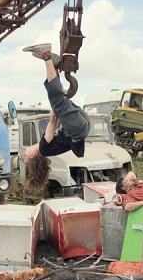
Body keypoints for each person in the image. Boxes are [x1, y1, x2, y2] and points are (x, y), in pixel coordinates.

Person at [21, 43, 91, 191]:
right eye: (25, 158)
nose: (24, 155)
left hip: (80, 126)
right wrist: (58, 102)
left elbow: (56, 117)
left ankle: (54, 63)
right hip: (76, 129)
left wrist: (60, 101)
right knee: (56, 100)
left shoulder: (47, 147)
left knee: (58, 100)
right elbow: (53, 121)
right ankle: (46, 55)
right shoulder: (44, 148)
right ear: (33, 156)